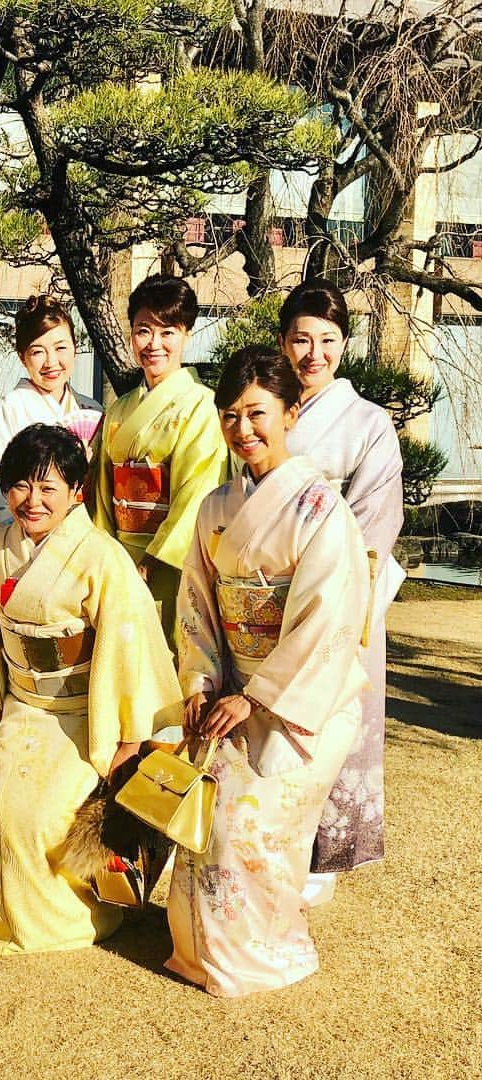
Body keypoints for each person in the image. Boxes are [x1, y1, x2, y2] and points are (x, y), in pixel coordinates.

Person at [167, 347, 370, 998]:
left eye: (257, 413)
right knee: (207, 820)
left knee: (250, 828)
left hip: (300, 697)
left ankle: (270, 953)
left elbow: (326, 617)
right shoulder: (213, 507)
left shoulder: (321, 510)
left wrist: (256, 697)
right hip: (232, 689)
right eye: (230, 416)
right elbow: (197, 603)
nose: (243, 429)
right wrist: (201, 682)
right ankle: (203, 953)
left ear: (289, 412)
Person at [0, 424, 182, 955]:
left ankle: (74, 922)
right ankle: (8, 918)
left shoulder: (102, 558)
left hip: (87, 714)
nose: (31, 501)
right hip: (25, 705)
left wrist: (131, 736)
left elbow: (130, 646)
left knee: (42, 815)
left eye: (48, 489)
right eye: (19, 486)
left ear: (76, 493)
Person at [279, 279, 404, 897]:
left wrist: (317, 575)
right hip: (267, 590)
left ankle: (323, 855)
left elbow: (374, 519)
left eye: (327, 340)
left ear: (344, 346)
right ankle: (270, 837)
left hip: (338, 592)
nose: (313, 353)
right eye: (301, 339)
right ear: (283, 343)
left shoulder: (368, 424)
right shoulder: (269, 410)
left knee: (329, 717)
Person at [92, 274, 227, 647]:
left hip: (170, 561)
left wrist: (153, 560)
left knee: (168, 654)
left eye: (168, 332)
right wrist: (105, 553)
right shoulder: (119, 409)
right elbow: (103, 495)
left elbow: (197, 492)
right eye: (143, 331)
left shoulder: (200, 405)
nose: (154, 344)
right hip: (117, 555)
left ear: (187, 335)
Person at [0, 295, 102, 531]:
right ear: (22, 357)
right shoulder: (10, 409)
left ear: (75, 348)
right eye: (38, 352)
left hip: (83, 535)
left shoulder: (91, 410)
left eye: (61, 348)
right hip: (28, 536)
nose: (51, 362)